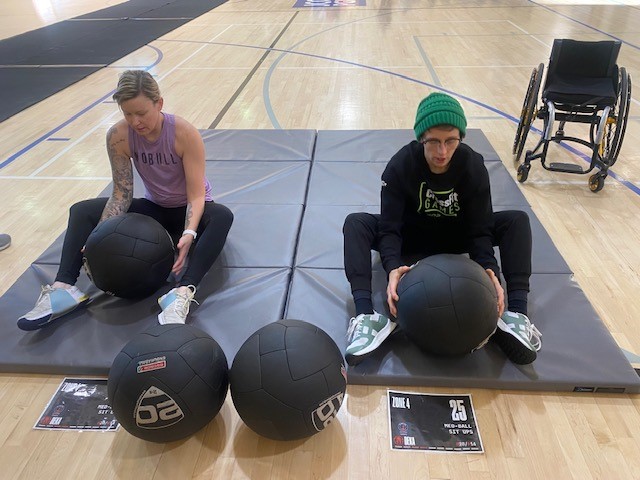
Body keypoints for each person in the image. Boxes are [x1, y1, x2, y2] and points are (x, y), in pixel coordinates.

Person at [17, 70, 233, 331]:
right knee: (82, 211)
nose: (135, 121)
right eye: (128, 114)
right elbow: (122, 191)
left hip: (189, 209)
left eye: (141, 113)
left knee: (222, 216)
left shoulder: (184, 133)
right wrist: (100, 234)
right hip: (154, 210)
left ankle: (182, 292)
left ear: (159, 104)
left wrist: (189, 232)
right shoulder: (119, 135)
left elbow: (196, 195)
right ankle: (64, 288)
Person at [343, 92, 541, 366]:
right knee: (355, 222)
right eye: (433, 141)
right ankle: (366, 316)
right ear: (421, 138)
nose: (442, 151)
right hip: (412, 237)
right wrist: (392, 268)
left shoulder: (473, 166)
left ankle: (516, 315)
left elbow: (480, 230)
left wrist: (490, 271)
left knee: (517, 220)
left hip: (456, 237)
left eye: (451, 141)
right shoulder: (400, 166)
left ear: (460, 138)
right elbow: (389, 229)